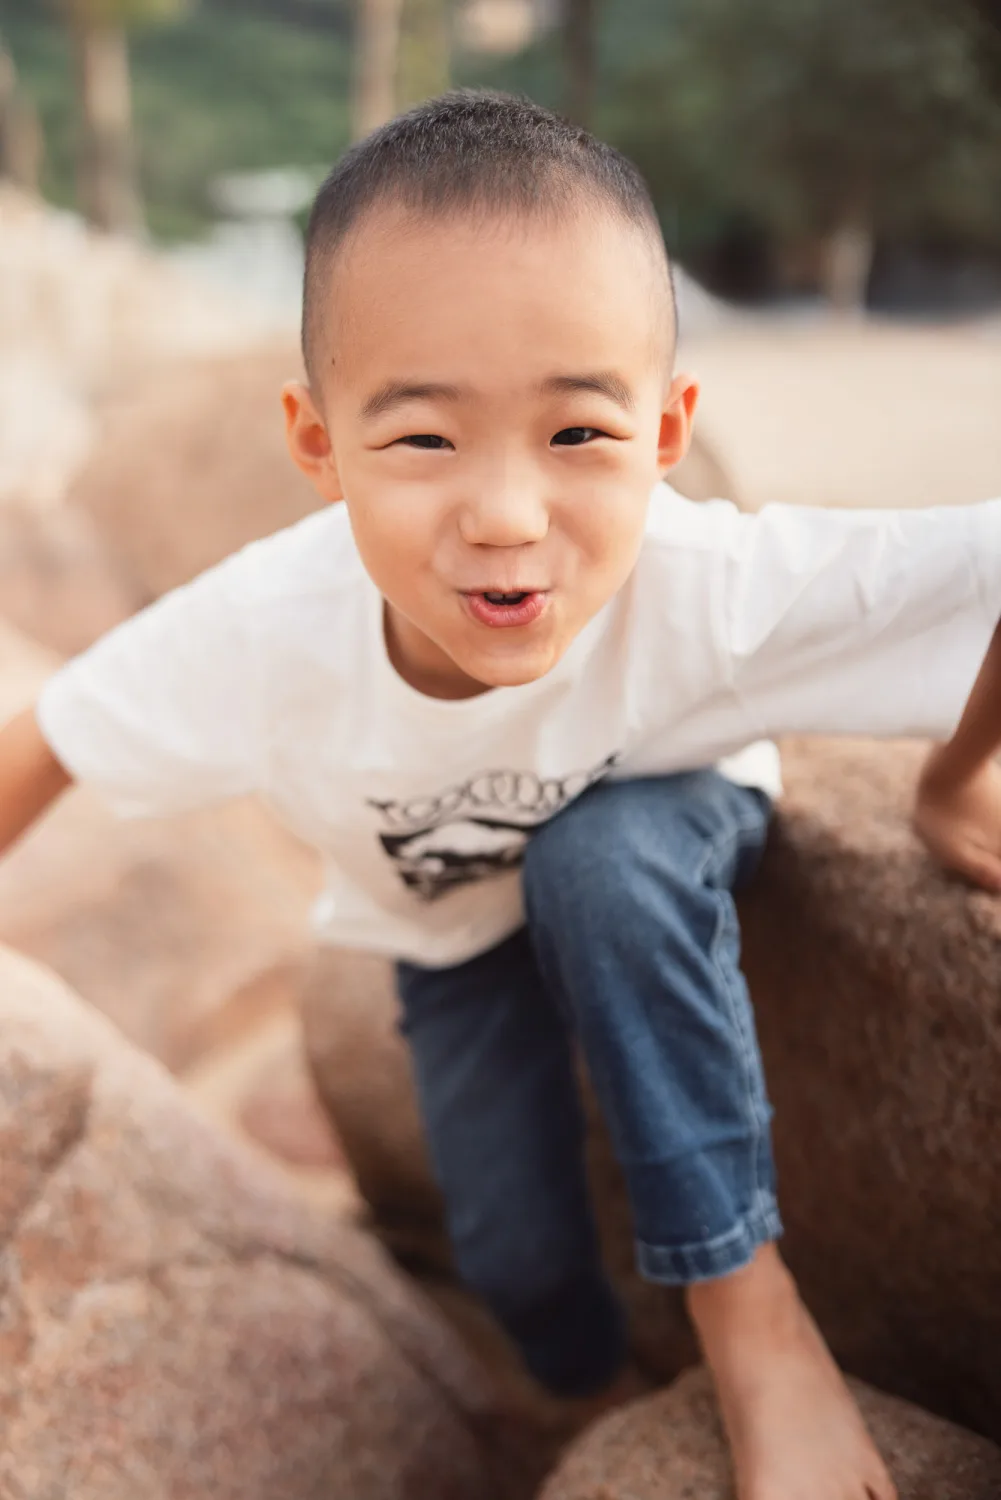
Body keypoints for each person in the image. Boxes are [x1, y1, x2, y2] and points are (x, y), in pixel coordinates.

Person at [1, 90, 998, 1500]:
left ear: (667, 432)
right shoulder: (268, 632)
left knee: (603, 860)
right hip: (443, 927)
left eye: (579, 434)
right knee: (519, 1258)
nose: (508, 517)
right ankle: (588, 1410)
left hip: (662, 817)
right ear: (315, 441)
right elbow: (49, 734)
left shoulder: (710, 586)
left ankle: (750, 1316)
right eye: (422, 441)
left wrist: (954, 785)